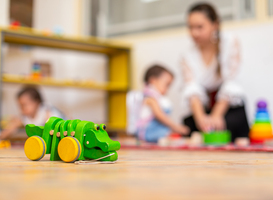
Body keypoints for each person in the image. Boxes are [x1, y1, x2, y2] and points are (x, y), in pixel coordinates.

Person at [181, 3, 249, 145]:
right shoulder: (187, 55)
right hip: (204, 107)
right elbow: (192, 89)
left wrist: (216, 115)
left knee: (231, 122)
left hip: (227, 106)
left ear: (215, 25)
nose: (194, 33)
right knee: (189, 124)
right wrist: (202, 119)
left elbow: (232, 81)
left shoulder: (230, 42)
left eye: (199, 27)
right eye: (190, 27)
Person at [137, 65, 189, 143]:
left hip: (157, 128)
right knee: (169, 133)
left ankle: (168, 137)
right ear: (153, 81)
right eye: (167, 85)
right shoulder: (149, 97)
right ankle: (167, 138)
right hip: (147, 131)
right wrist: (176, 127)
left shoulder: (158, 98)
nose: (167, 89)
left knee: (169, 132)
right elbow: (159, 115)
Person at [0, 86, 65, 140]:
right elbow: (11, 129)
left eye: (24, 105)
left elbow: (51, 127)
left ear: (36, 102)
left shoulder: (46, 110)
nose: (22, 109)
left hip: (63, 129)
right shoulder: (25, 116)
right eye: (20, 106)